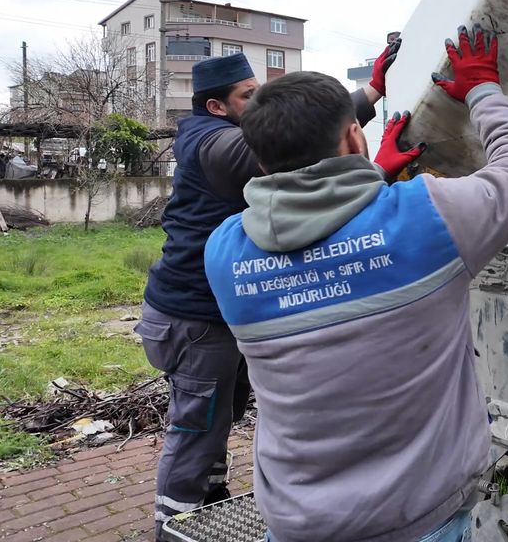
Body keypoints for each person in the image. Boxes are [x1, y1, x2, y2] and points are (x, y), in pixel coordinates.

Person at [203, 24, 508, 542]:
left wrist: (372, 177)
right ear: (353, 136)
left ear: (260, 159)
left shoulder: (225, 253)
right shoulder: (430, 218)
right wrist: (481, 87)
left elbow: (323, 240)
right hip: (418, 518)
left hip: (297, 522)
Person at [136, 41, 412, 541]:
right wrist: (370, 165)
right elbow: (287, 141)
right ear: (216, 107)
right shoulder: (207, 140)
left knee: (220, 418)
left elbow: (296, 134)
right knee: (196, 433)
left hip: (211, 315)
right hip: (193, 320)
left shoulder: (222, 131)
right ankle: (168, 529)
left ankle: (208, 505)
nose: (260, 104)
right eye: (248, 96)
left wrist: (369, 94)